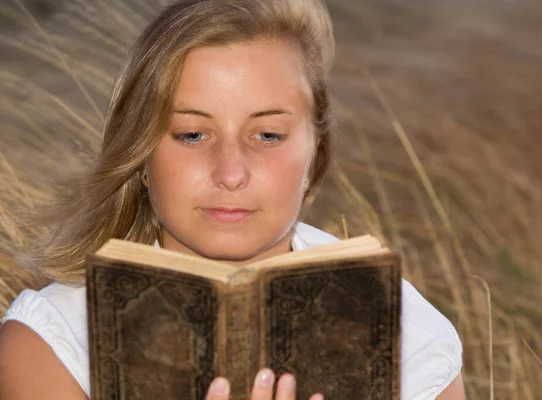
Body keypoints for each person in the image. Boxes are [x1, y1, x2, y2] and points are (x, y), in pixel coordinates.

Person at [0, 0, 465, 399]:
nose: (230, 173)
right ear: (141, 156)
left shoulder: (408, 335)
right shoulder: (54, 344)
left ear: (315, 152)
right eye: (192, 134)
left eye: (266, 134)